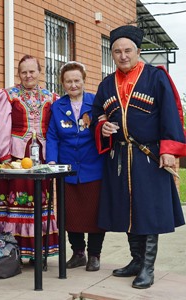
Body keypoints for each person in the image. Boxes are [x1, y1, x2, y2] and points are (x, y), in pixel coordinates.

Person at [91, 25, 186, 289]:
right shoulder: (106, 84)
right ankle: (135, 259)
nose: (123, 56)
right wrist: (103, 127)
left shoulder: (156, 78)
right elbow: (96, 116)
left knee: (148, 211)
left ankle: (148, 267)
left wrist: (168, 151)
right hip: (119, 156)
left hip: (149, 156)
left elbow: (171, 113)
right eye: (117, 51)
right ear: (112, 54)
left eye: (128, 50)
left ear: (138, 51)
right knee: (127, 209)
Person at [0, 55, 59, 262]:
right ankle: (13, 249)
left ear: (40, 72)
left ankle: (37, 251)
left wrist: (53, 157)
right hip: (16, 155)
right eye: (24, 72)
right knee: (15, 200)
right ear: (18, 73)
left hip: (42, 156)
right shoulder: (8, 95)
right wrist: (4, 155)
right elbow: (2, 126)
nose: (28, 75)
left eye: (32, 71)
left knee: (40, 200)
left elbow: (54, 130)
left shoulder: (52, 97)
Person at [46, 61, 105, 271]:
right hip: (68, 168)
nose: (73, 85)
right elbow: (52, 135)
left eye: (76, 80)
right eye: (68, 81)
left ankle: (94, 255)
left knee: (95, 214)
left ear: (84, 80)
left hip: (93, 167)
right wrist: (52, 161)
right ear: (62, 83)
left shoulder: (96, 102)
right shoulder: (58, 106)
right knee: (70, 214)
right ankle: (78, 252)